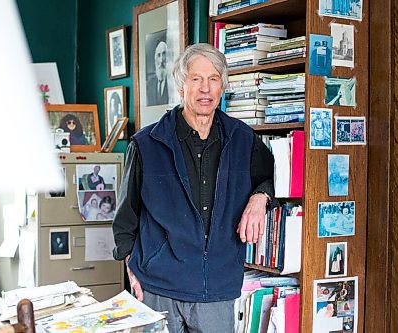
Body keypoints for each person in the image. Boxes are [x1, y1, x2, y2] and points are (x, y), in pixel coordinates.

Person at [112, 43, 275, 332]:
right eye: (196, 79)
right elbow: (126, 217)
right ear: (180, 87)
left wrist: (259, 198)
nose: (205, 89)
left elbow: (268, 177)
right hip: (158, 286)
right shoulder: (146, 144)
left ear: (222, 88)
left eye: (213, 79)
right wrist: (131, 268)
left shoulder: (243, 139)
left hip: (217, 288)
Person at [147, 40, 169, 106]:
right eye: (159, 55)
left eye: (164, 54)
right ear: (155, 59)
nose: (161, 60)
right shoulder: (150, 84)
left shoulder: (173, 82)